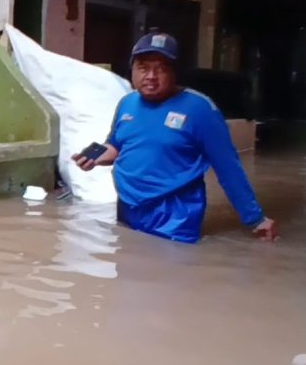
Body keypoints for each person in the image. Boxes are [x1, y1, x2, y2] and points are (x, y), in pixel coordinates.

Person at [72, 32, 276, 243]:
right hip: (127, 209)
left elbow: (228, 168)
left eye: (161, 68)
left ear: (175, 72)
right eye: (143, 67)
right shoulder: (127, 103)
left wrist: (255, 218)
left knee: (172, 272)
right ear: (132, 70)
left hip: (175, 219)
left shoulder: (200, 109)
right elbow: (116, 145)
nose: (151, 75)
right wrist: (93, 157)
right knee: (126, 268)